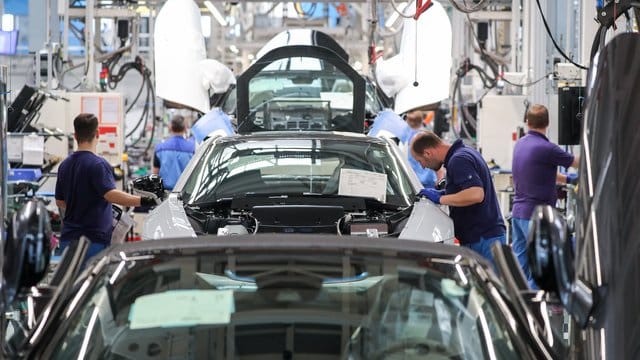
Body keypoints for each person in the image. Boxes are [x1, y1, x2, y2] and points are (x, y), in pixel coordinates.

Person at [55, 113, 157, 260]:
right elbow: (111, 194)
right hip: (92, 240)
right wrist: (144, 200)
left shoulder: (64, 165)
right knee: (90, 280)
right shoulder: (98, 164)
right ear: (97, 133)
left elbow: (59, 201)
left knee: (71, 280)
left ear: (75, 135)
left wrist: (79, 206)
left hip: (68, 238)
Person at [410, 131, 506, 267]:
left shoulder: (458, 160)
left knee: (492, 286)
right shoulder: (465, 152)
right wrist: (444, 192)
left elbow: (476, 194)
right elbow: (465, 189)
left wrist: (441, 199)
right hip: (485, 237)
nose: (423, 166)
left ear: (428, 153)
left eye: (420, 161)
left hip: (482, 240)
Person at [511, 104, 579, 287]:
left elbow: (538, 169)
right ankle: (534, 313)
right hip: (535, 217)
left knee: (521, 269)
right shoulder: (547, 148)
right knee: (540, 270)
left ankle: (518, 308)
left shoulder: (520, 144)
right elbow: (579, 162)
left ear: (527, 122)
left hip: (517, 215)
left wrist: (567, 179)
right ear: (548, 123)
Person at [153, 115, 196, 190]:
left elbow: (155, 175)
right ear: (185, 128)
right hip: (185, 194)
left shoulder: (160, 148)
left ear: (170, 128)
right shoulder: (193, 149)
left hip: (165, 195)